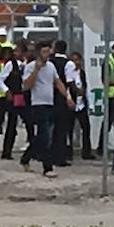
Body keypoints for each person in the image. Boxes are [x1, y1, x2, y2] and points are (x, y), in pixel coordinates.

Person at [19, 41, 74, 178]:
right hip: (37, 104)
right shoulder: (30, 66)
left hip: (50, 103)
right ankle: (47, 167)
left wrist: (67, 96)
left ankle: (26, 157)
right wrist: (35, 70)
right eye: (44, 52)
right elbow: (26, 86)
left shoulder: (51, 66)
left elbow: (58, 82)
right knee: (45, 135)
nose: (47, 54)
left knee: (43, 136)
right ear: (38, 53)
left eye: (48, 51)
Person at [0, 42, 29, 159]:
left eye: (18, 51)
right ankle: (7, 151)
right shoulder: (11, 64)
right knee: (12, 123)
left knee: (29, 123)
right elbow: (0, 79)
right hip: (14, 97)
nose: (15, 54)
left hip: (25, 96)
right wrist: (7, 90)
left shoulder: (27, 65)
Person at [50, 40, 74, 167]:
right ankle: (61, 157)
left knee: (51, 128)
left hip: (50, 97)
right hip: (62, 98)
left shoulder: (49, 62)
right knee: (62, 129)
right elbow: (69, 82)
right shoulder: (68, 63)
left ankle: (51, 155)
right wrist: (69, 98)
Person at [69, 51, 95, 160]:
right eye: (73, 60)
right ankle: (68, 152)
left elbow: (86, 88)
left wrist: (90, 103)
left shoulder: (82, 73)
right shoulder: (68, 73)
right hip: (71, 103)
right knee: (69, 129)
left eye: (78, 60)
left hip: (81, 104)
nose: (76, 62)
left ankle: (86, 152)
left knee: (86, 128)